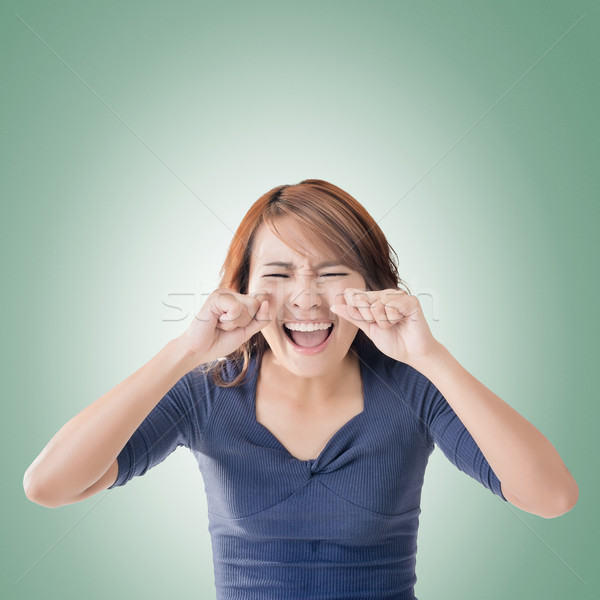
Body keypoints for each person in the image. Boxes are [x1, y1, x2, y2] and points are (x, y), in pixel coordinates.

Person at [23, 179, 578, 600]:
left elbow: (551, 498)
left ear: (372, 288)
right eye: (280, 273)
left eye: (334, 272)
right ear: (241, 289)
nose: (307, 299)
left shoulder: (414, 390)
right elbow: (49, 485)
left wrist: (432, 358)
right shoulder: (210, 392)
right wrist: (186, 353)